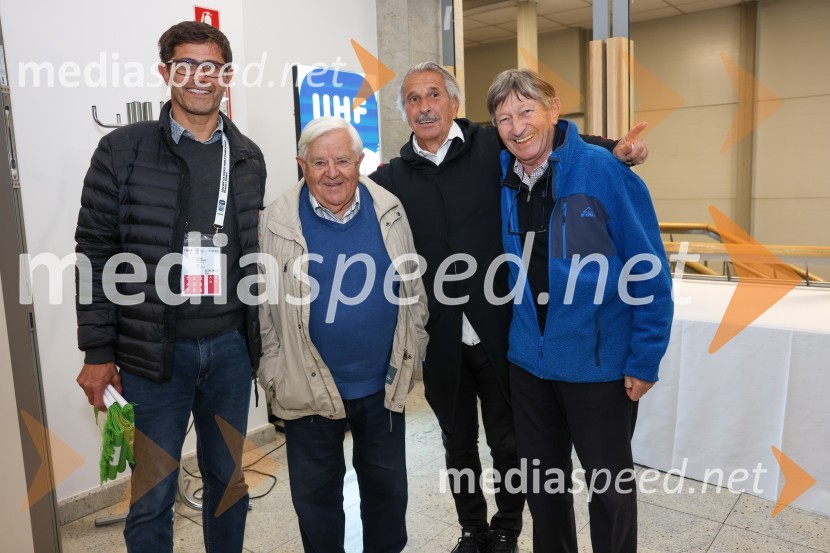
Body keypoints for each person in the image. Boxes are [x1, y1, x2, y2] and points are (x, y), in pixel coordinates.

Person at [370, 61, 649, 553]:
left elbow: (553, 140)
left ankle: (506, 529)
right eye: (413, 99)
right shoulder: (391, 178)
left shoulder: (490, 147)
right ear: (404, 113)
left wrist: (616, 150)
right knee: (458, 444)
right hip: (443, 337)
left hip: (504, 333)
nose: (425, 106)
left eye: (434, 94)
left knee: (512, 444)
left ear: (455, 103)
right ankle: (472, 530)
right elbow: (345, 192)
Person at [75, 21, 266, 552]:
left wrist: (259, 347)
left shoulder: (248, 156)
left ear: (227, 75)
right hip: (152, 357)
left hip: (229, 351)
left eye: (212, 67)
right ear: (166, 73)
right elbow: (94, 253)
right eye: (185, 65)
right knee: (153, 495)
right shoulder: (121, 151)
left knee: (229, 485)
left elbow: (251, 258)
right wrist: (97, 350)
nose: (199, 78)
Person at [487, 68, 673, 553]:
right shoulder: (505, 178)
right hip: (530, 366)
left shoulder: (603, 170)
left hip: (599, 368)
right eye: (504, 117)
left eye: (526, 110)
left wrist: (644, 358)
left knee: (609, 493)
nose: (516, 126)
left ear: (552, 110)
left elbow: (649, 271)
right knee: (544, 491)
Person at [258, 117, 429, 553]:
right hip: (306, 389)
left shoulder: (389, 208)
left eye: (341, 160)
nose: (331, 172)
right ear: (301, 164)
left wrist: (414, 349)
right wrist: (274, 373)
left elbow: (413, 289)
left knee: (388, 498)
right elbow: (263, 309)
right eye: (318, 162)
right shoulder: (275, 221)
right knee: (316, 505)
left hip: (380, 385)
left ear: (360, 162)